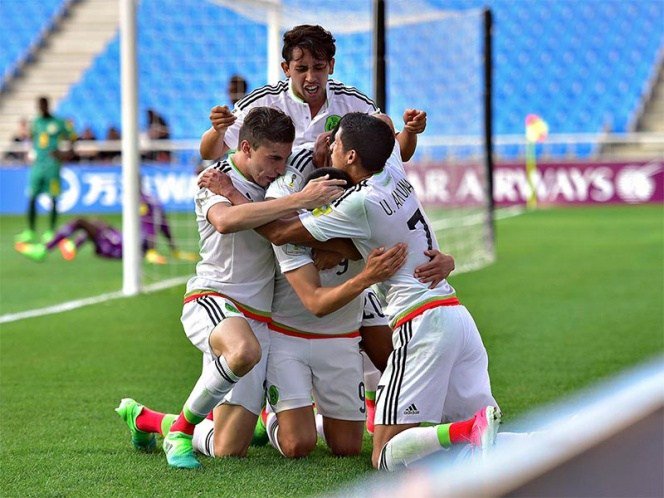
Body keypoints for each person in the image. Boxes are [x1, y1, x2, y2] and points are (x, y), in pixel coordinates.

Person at [210, 113, 501, 470]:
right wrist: (404, 130)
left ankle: (466, 431)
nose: (328, 143)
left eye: (336, 142)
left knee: (384, 456)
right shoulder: (391, 167)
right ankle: (501, 437)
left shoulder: (357, 203)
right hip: (455, 313)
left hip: (420, 322)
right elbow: (381, 121)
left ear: (351, 157)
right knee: (494, 443)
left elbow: (281, 233)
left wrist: (230, 193)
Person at [115, 107, 350, 469]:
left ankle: (146, 419)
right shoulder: (216, 179)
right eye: (272, 157)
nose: (279, 167)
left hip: (259, 317)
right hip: (214, 298)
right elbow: (226, 221)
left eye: (285, 158)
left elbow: (287, 227)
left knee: (229, 448)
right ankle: (179, 431)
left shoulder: (281, 181)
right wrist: (301, 199)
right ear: (245, 147)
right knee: (242, 350)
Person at [200, 25, 425, 163]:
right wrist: (217, 130)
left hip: (332, 206)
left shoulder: (352, 101)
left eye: (318, 67)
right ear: (286, 69)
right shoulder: (263, 102)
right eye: (301, 69)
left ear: (331, 66)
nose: (311, 77)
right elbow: (210, 151)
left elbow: (398, 152)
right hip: (276, 206)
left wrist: (410, 131)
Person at [14, 191, 195, 264]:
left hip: (125, 246)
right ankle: (72, 246)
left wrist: (151, 251)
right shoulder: (154, 201)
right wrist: (174, 250)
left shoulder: (141, 202)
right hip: (128, 242)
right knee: (98, 223)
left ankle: (44, 250)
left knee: (81, 222)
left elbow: (150, 231)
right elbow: (164, 227)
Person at [15, 96, 76, 244]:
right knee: (32, 196)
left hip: (53, 165)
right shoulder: (35, 123)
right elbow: (31, 139)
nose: (41, 108)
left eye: (44, 105)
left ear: (48, 106)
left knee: (54, 197)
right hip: (37, 165)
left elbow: (73, 137)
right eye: (39, 105)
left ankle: (51, 230)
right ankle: (30, 231)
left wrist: (66, 153)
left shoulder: (59, 122)